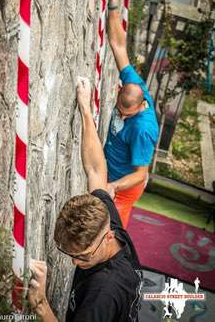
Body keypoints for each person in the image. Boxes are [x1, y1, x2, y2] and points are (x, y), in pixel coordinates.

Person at [28, 78, 142, 321]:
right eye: (69, 253)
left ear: (108, 237)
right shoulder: (104, 220)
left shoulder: (103, 294)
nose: (75, 262)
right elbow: (95, 169)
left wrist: (40, 304)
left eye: (84, 256)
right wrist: (85, 109)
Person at [104, 0, 159, 228]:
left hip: (123, 189)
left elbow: (141, 174)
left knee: (112, 233)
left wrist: (113, 186)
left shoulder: (142, 129)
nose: (123, 117)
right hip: (108, 173)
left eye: (128, 114)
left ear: (141, 105)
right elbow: (117, 45)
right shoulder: (133, 82)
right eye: (120, 111)